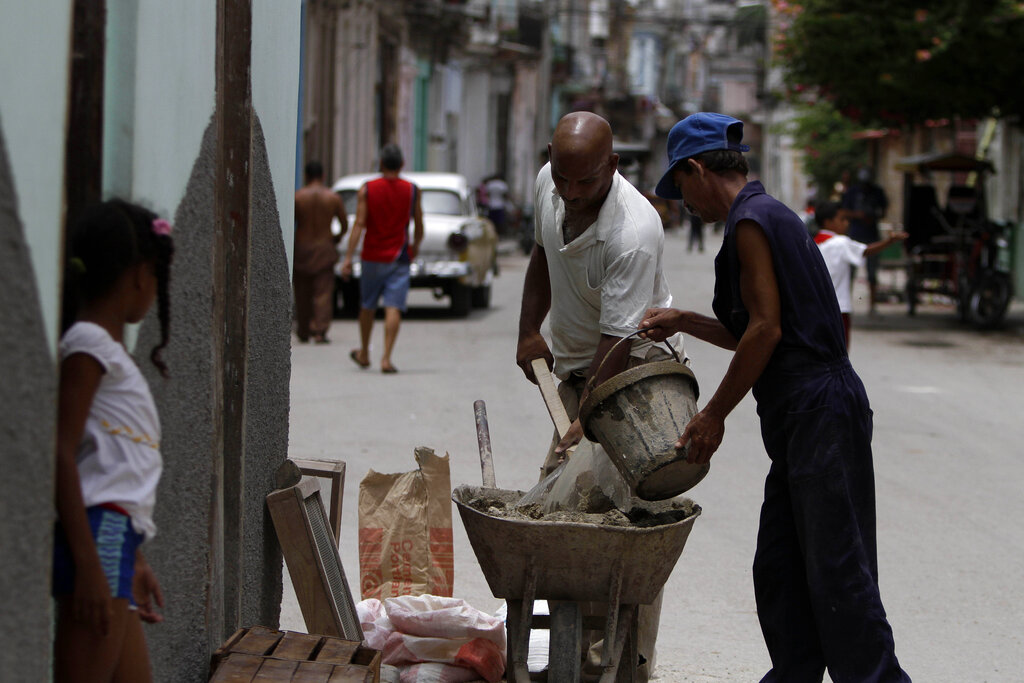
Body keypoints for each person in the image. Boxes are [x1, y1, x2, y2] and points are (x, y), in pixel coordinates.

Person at [641, 112, 910, 682]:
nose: (683, 202)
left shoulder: (752, 221)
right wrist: (686, 320)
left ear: (696, 169)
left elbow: (766, 331)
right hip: (802, 416)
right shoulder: (762, 214)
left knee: (839, 570)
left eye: (680, 186)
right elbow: (759, 328)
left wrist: (712, 414)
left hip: (820, 409)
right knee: (782, 568)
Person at [516, 111, 683, 682]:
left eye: (585, 182)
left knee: (628, 530)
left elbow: (620, 340)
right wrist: (527, 330)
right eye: (563, 179)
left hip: (635, 377)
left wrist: (585, 424)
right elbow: (543, 252)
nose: (570, 192)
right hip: (580, 368)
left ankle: (627, 668)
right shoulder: (550, 181)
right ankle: (569, 662)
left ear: (612, 166)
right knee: (561, 513)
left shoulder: (633, 232)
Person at [54, 199, 172, 682]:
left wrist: (134, 555)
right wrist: (90, 564)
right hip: (99, 539)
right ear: (140, 275)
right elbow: (60, 451)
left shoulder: (106, 351)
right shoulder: (88, 344)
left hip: (115, 539)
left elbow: (111, 470)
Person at [341, 143, 423, 374]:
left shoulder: (367, 189)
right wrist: (415, 246)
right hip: (399, 258)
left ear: (381, 163)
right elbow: (419, 224)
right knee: (393, 306)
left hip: (371, 257)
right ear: (402, 165)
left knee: (367, 305)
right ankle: (386, 358)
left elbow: (359, 224)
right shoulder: (412, 190)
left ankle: (365, 352)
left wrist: (348, 256)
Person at [814, 201, 908, 348]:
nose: (846, 224)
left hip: (816, 308)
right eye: (842, 219)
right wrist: (889, 241)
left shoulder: (812, 244)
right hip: (839, 308)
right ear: (828, 222)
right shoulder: (840, 242)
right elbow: (865, 251)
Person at [294, 160, 348, 343]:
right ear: (323, 176)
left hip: (302, 248)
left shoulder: (298, 197)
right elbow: (344, 224)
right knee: (323, 292)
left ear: (306, 176)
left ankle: (303, 329)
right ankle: (319, 330)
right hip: (324, 247)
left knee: (302, 291)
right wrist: (336, 237)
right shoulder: (332, 198)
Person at [841, 166, 889, 314]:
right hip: (855, 236)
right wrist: (857, 215)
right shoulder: (852, 192)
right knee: (850, 272)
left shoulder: (877, 192)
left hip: (871, 235)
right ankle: (846, 304)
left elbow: (883, 210)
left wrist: (872, 216)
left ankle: (872, 306)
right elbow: (844, 211)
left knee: (872, 272)